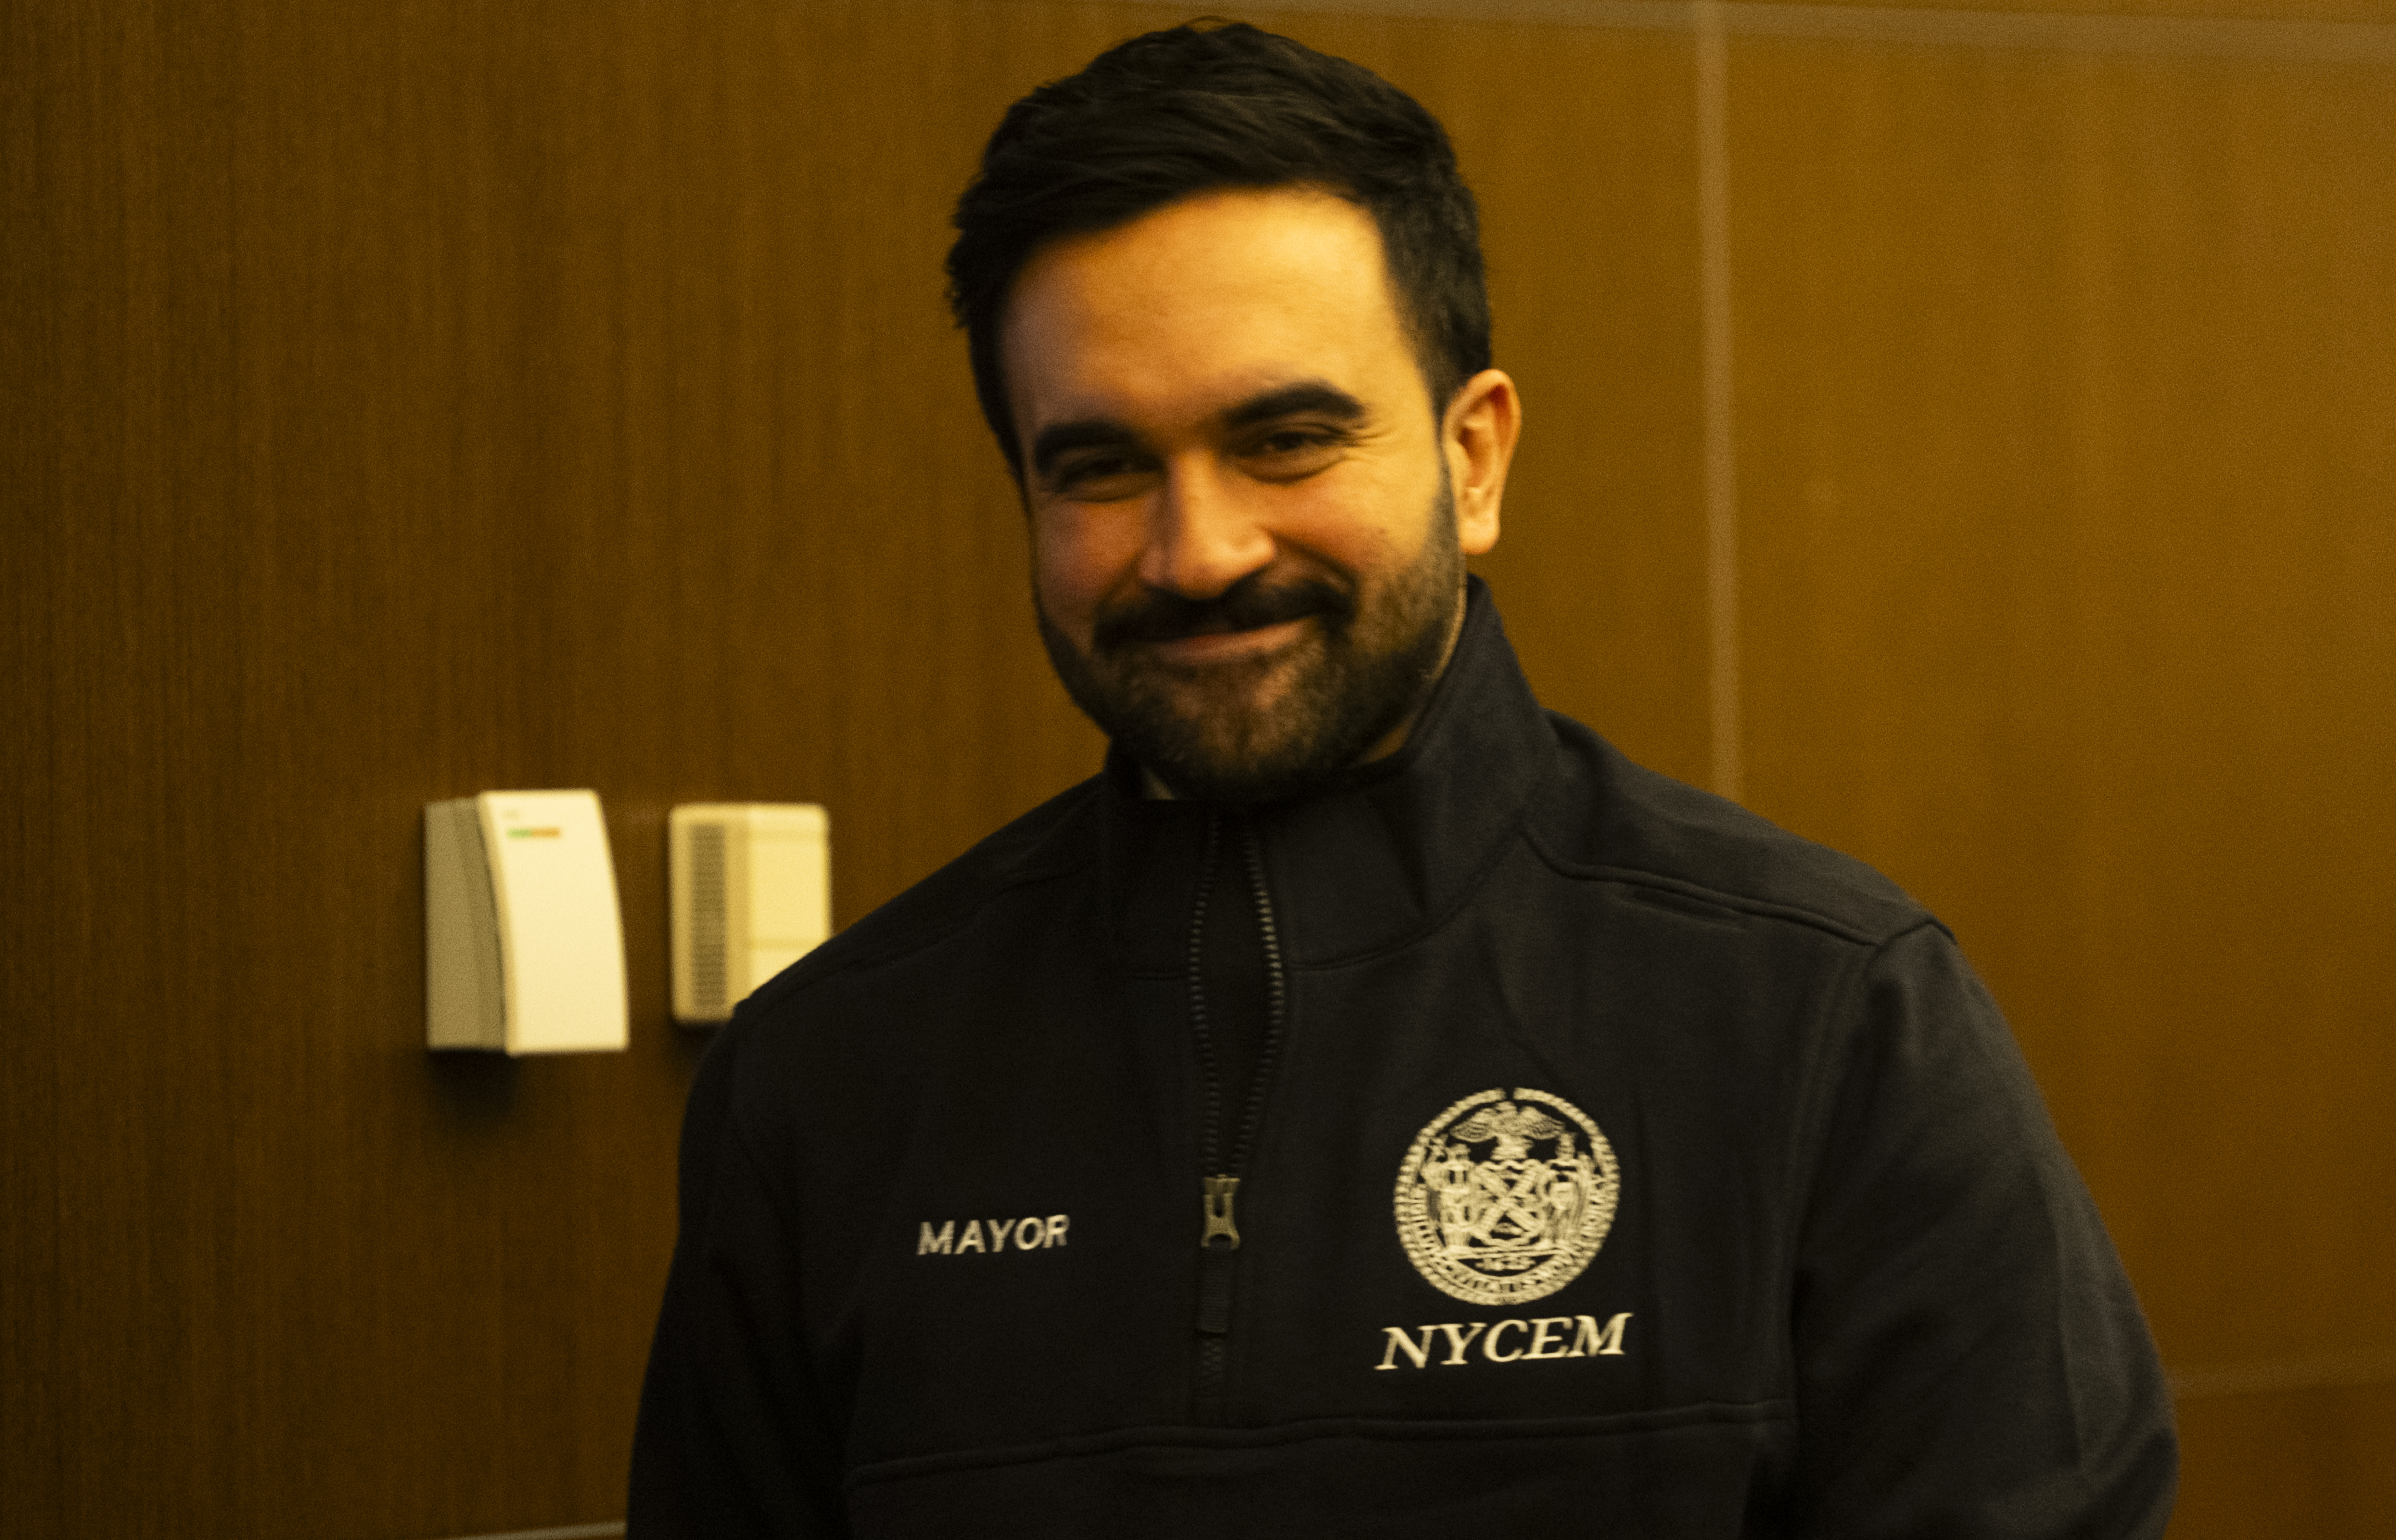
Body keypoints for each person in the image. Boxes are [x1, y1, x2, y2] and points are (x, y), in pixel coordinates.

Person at [628, 22, 2177, 1537]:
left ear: (1475, 457)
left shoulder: (1822, 1017)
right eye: (1100, 468)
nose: (1200, 553)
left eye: (1287, 439)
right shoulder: (828, 1085)